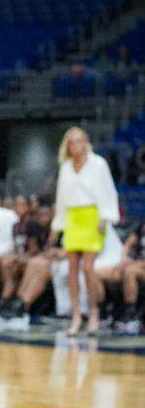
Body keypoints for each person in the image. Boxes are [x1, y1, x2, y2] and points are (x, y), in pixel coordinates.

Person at [51, 127, 120, 335]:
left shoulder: (98, 164)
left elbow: (109, 191)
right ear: (67, 145)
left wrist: (105, 217)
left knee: (88, 269)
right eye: (72, 142)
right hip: (72, 218)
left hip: (92, 217)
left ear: (86, 142)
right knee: (72, 269)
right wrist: (57, 226)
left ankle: (94, 313)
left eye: (80, 141)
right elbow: (61, 199)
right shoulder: (66, 167)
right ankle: (76, 316)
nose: (76, 146)